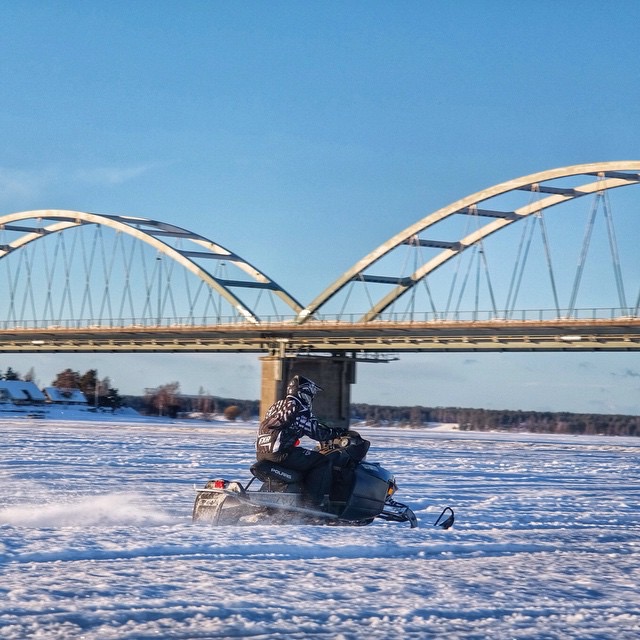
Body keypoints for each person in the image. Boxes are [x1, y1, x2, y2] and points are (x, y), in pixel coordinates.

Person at [256, 375, 345, 508]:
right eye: (310, 394)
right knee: (322, 461)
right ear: (304, 393)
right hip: (281, 454)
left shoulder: (276, 406)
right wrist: (337, 432)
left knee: (303, 459)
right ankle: (312, 504)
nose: (311, 398)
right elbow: (316, 432)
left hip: (262, 453)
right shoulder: (299, 408)